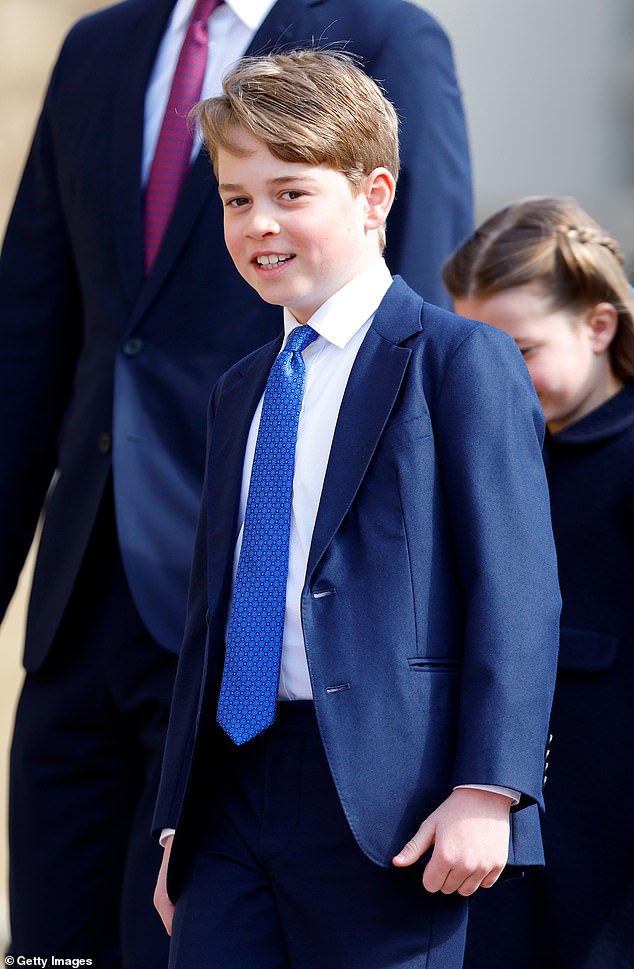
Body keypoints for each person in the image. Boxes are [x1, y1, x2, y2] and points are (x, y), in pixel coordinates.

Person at [0, 1, 473, 965]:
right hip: (80, 602)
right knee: (50, 940)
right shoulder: (97, 44)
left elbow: (414, 338)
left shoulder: (387, 34)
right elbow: (30, 331)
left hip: (259, 613)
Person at [151, 50, 561, 969]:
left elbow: (518, 589)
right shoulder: (239, 390)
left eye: (290, 193)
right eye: (234, 199)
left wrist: (489, 788)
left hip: (393, 800)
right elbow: (209, 613)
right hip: (231, 791)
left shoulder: (459, 361)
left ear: (374, 196)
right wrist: (177, 812)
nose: (259, 223)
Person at [443, 195, 634, 969]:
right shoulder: (490, 458)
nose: (498, 378)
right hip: (506, 842)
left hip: (608, 851)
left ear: (598, 326)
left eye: (519, 349)